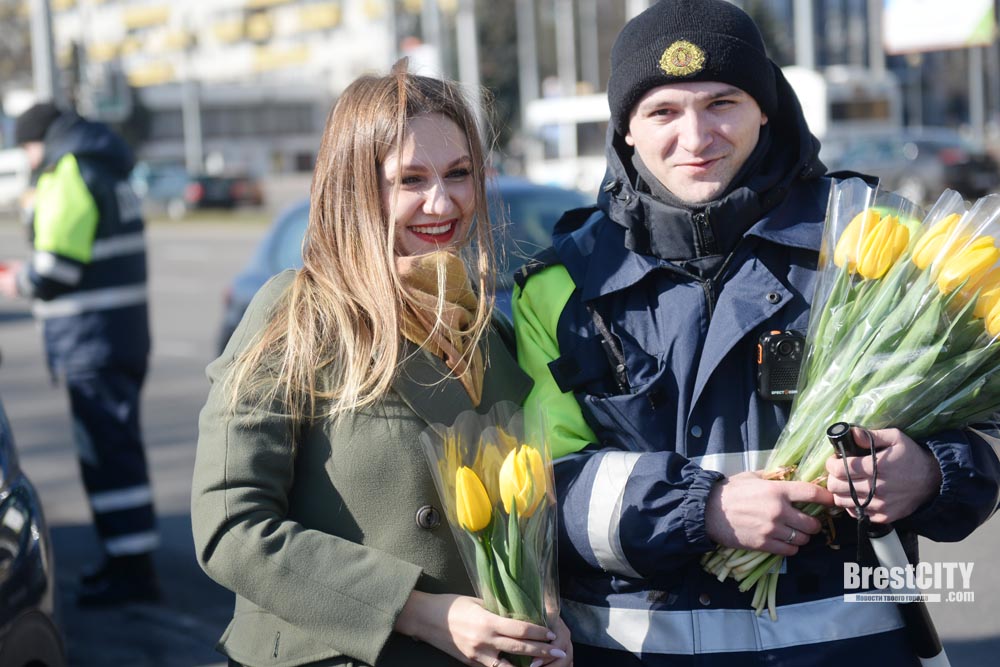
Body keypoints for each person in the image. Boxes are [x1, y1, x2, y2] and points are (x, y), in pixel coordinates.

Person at [512, 1, 1000, 665]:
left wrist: (931, 471)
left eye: (723, 103)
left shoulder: (873, 237)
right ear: (625, 128)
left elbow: (981, 421)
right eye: (663, 112)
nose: (696, 135)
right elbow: (542, 489)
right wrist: (700, 509)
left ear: (765, 107)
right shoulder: (559, 286)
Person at [191, 63, 572, 667]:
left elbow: (523, 517)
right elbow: (229, 530)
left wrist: (542, 616)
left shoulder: (489, 330)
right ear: (356, 188)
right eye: (410, 179)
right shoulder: (297, 316)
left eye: (458, 174)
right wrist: (419, 612)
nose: (441, 202)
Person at [0, 102, 159, 606]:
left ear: (41, 139)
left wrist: (13, 280)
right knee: (119, 452)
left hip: (91, 338)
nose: (28, 156)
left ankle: (130, 572)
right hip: (121, 332)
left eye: (27, 146)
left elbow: (56, 270)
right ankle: (129, 559)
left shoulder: (70, 173)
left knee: (106, 455)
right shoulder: (107, 169)